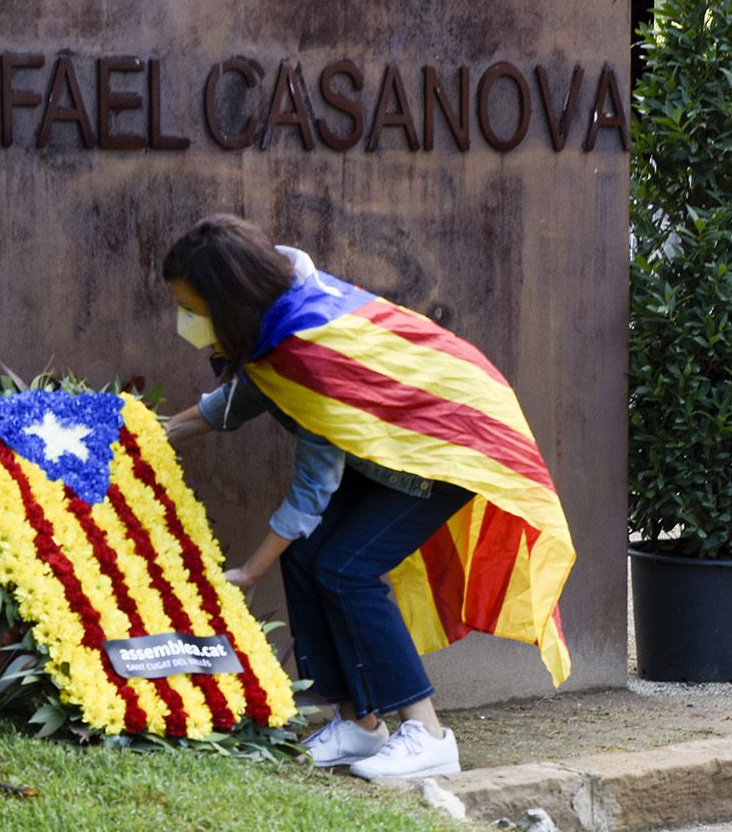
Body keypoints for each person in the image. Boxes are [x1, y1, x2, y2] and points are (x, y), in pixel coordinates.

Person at [161, 215, 575, 781]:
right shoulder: (276, 313)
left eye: (193, 310)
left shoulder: (308, 349)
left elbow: (313, 487)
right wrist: (160, 430)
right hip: (391, 437)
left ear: (227, 302)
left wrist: (252, 571)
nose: (187, 322)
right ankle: (359, 725)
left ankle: (428, 734)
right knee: (309, 556)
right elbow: (249, 392)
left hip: (446, 440)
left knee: (346, 567)